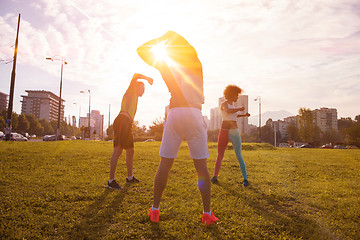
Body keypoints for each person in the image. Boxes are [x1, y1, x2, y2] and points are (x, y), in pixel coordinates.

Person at [137, 31, 218, 225]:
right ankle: (207, 214)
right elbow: (188, 48)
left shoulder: (167, 67)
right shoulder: (196, 65)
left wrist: (161, 38)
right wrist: (172, 36)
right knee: (201, 166)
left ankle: (155, 210)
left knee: (165, 163)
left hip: (174, 114)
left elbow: (141, 50)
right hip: (193, 113)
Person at [107, 73, 153, 189]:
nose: (144, 91)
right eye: (143, 88)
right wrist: (147, 78)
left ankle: (129, 177)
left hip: (127, 123)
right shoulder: (131, 90)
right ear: (137, 87)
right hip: (122, 121)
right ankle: (111, 181)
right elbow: (135, 75)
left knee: (131, 150)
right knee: (118, 151)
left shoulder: (135, 97)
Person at [210, 85, 251, 187]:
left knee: (239, 154)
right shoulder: (224, 104)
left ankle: (245, 179)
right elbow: (228, 111)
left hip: (234, 131)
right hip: (224, 131)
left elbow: (234, 115)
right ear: (231, 94)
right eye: (236, 95)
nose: (237, 97)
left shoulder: (233, 105)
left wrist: (244, 115)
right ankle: (215, 176)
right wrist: (239, 109)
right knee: (220, 154)